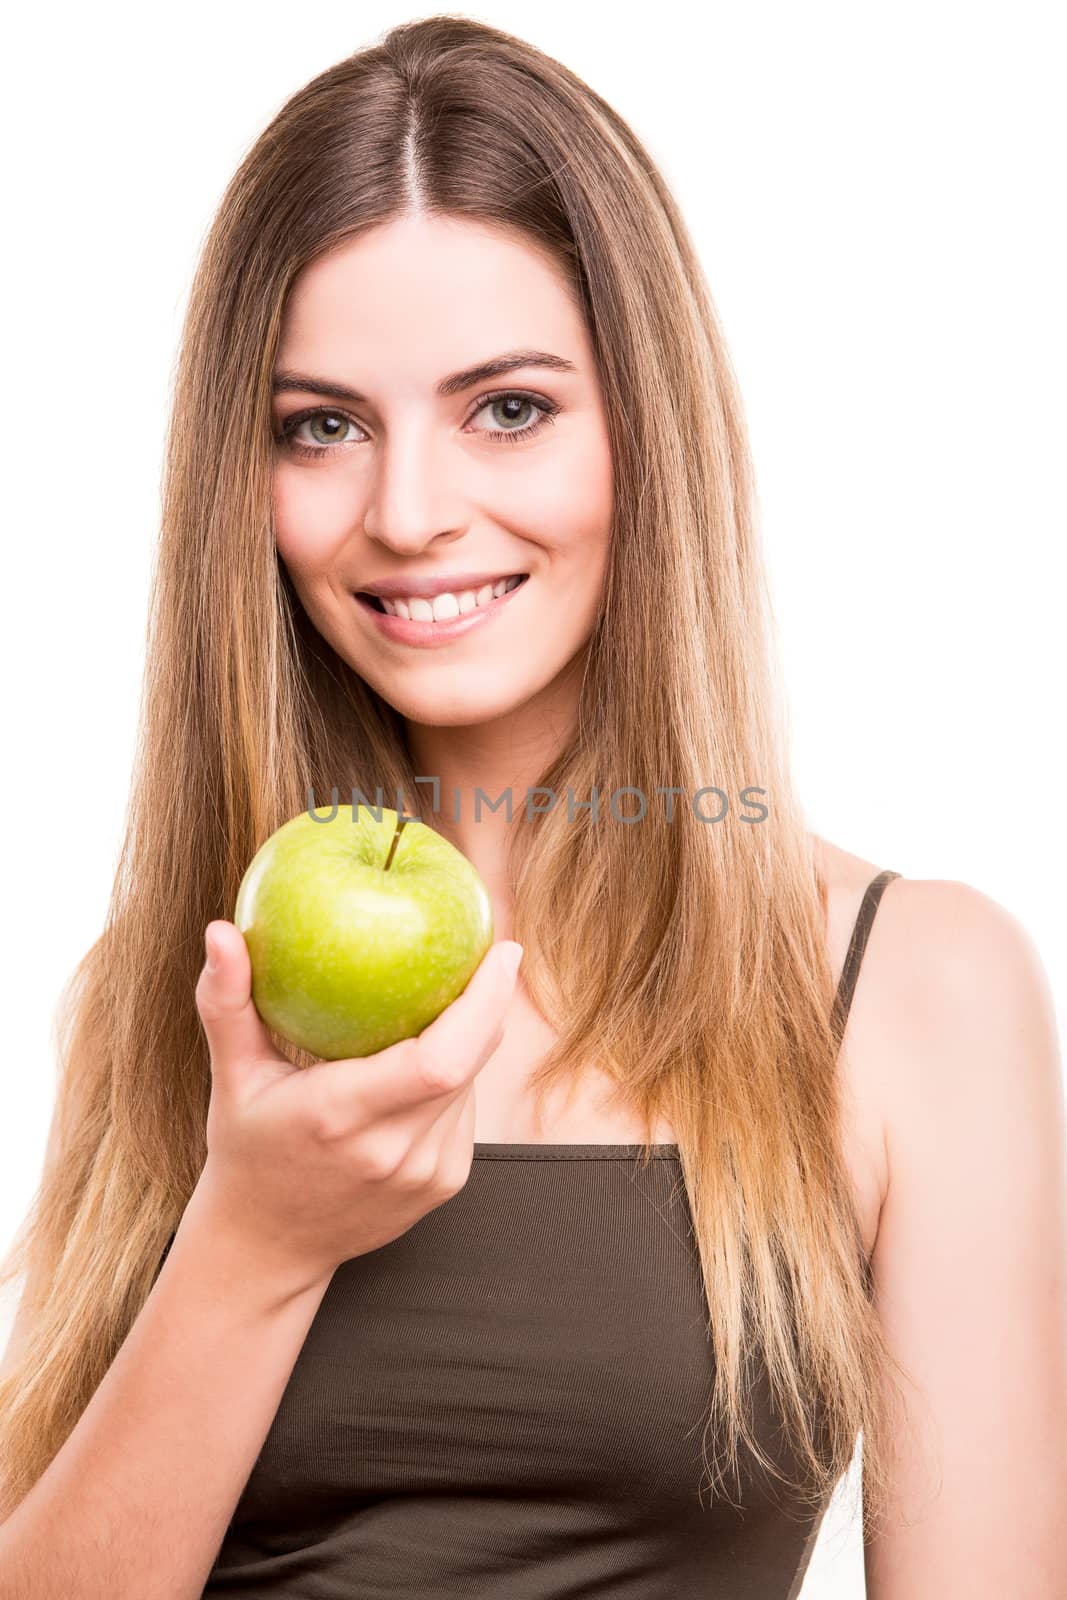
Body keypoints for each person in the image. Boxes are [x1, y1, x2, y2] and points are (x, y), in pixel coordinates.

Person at [0, 16, 1063, 1600]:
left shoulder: (916, 990)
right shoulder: (170, 988)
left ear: (646, 430)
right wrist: (257, 1236)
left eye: (507, 408)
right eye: (322, 425)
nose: (410, 514)